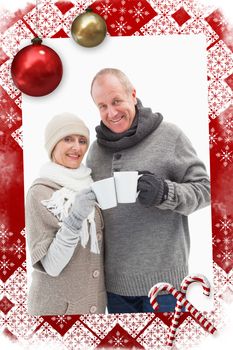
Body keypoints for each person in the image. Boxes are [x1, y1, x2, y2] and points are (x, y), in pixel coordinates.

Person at [86, 68, 210, 314]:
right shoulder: (96, 151)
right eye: (102, 106)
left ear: (133, 95)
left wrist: (166, 193)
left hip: (166, 289)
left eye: (116, 101)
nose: (111, 112)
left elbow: (205, 190)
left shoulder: (170, 136)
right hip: (115, 288)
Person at [26, 113, 106, 315]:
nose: (76, 147)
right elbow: (52, 265)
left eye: (82, 141)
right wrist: (75, 218)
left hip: (93, 307)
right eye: (67, 139)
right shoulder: (41, 192)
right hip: (56, 312)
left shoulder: (90, 186)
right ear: (53, 145)